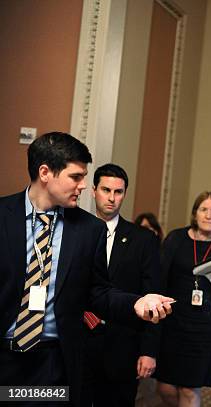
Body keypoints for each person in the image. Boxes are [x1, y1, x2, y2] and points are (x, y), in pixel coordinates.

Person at [0, 132, 173, 406]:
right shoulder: (3, 217)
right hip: (6, 360)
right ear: (45, 172)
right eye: (76, 177)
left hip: (54, 364)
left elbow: (98, 292)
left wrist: (136, 303)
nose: (83, 186)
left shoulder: (88, 230)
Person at [81, 163, 162, 406]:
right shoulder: (75, 230)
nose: (112, 198)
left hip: (123, 344)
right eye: (106, 190)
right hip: (80, 340)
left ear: (125, 194)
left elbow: (153, 295)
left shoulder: (143, 240)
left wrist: (149, 350)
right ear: (94, 190)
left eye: (118, 192)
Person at [156, 191, 211, 406]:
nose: (208, 215)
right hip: (172, 324)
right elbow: (161, 277)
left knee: (189, 390)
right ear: (195, 214)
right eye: (203, 209)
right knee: (165, 387)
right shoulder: (176, 238)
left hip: (206, 328)